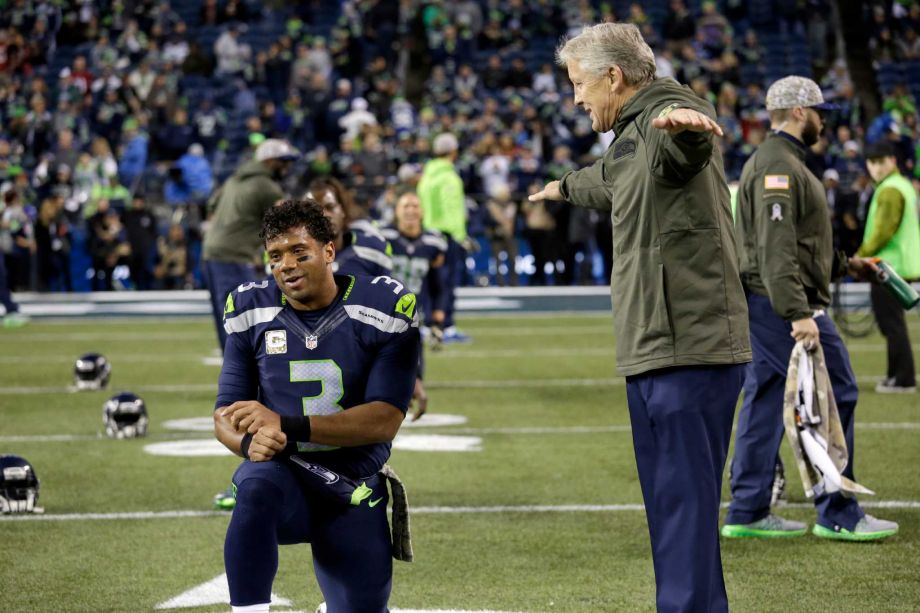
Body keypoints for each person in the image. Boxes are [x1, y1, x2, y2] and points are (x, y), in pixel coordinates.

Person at [528, 23, 751, 613]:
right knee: (675, 507)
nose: (575, 98)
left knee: (682, 507)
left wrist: (690, 133)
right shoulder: (626, 138)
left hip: (689, 345)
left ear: (614, 76)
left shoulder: (668, 116)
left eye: (579, 84)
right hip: (656, 344)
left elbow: (684, 148)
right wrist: (562, 187)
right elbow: (607, 181)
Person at [214, 199, 419, 613]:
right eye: (275, 257)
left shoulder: (382, 308)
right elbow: (225, 412)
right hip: (284, 476)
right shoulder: (251, 309)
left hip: (353, 483)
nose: (286, 265)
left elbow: (385, 419)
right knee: (254, 487)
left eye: (299, 252)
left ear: (329, 252)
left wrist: (286, 424)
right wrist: (246, 443)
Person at [726, 76, 899, 542]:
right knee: (834, 395)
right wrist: (799, 314)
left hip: (770, 302)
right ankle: (838, 511)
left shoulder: (778, 162)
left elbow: (797, 245)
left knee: (764, 400)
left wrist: (846, 264)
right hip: (784, 305)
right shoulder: (779, 167)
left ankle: (747, 507)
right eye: (821, 112)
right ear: (800, 112)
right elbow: (777, 250)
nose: (826, 121)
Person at [202, 138, 298, 351]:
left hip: (211, 250)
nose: (287, 167)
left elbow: (211, 206)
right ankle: (241, 371)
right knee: (244, 316)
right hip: (235, 255)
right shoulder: (267, 186)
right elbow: (286, 222)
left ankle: (231, 366)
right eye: (283, 161)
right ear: (270, 161)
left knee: (225, 316)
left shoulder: (233, 180)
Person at [858, 141, 919, 393]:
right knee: (894, 324)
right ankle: (897, 375)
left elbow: (883, 230)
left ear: (892, 161)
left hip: (888, 267)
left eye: (880, 162)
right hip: (902, 264)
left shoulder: (889, 190)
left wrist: (860, 256)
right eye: (872, 163)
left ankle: (903, 378)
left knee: (891, 325)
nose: (876, 168)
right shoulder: (902, 186)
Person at [381, 190, 449, 417]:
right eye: (405, 205)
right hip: (381, 310)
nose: (411, 210)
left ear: (422, 211)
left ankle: (405, 396)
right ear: (396, 211)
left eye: (415, 206)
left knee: (413, 360)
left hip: (413, 313)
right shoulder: (382, 237)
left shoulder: (434, 242)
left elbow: (437, 283)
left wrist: (438, 317)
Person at [417, 132, 470, 343]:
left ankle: (428, 324)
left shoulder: (426, 176)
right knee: (446, 283)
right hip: (447, 236)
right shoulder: (449, 177)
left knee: (431, 284)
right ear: (453, 152)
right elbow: (452, 210)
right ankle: (446, 326)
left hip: (428, 234)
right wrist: (461, 235)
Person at [303, 176, 392, 278]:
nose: (325, 215)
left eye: (330, 207)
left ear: (342, 209)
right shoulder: (297, 259)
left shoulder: (374, 249)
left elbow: (385, 292)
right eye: (315, 211)